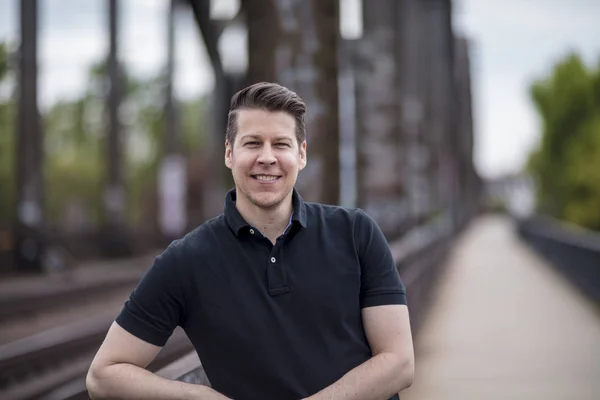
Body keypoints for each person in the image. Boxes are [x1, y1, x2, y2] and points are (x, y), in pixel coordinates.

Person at [86, 82, 414, 400]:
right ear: (230, 153)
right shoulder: (188, 260)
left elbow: (399, 362)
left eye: (281, 144)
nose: (267, 157)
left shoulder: (356, 233)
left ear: (301, 155)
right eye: (253, 143)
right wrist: (196, 395)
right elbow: (103, 376)